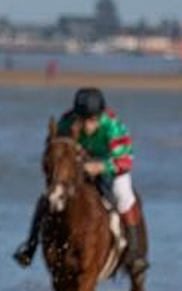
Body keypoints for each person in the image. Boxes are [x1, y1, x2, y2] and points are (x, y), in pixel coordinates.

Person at [12, 87, 149, 277]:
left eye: (92, 120)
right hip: (79, 169)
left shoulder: (113, 126)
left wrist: (101, 167)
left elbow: (125, 160)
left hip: (111, 168)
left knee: (124, 196)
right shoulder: (66, 122)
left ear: (100, 116)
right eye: (82, 120)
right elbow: (56, 150)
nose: (86, 126)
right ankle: (30, 246)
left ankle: (135, 255)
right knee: (48, 198)